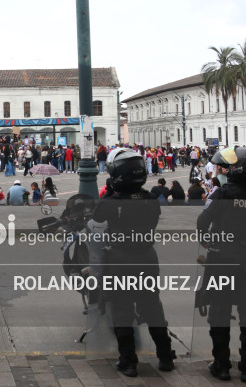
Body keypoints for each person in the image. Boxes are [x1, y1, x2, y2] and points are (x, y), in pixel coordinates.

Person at [92, 148, 176, 377]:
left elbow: (97, 217)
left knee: (122, 309)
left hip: (120, 258)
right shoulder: (150, 199)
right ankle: (166, 356)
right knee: (153, 307)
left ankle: (128, 361)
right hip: (147, 257)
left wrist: (110, 191)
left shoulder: (112, 201)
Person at [196, 147, 246, 383]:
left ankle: (222, 365)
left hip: (222, 261)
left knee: (220, 311)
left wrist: (207, 241)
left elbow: (202, 222)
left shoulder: (223, 194)